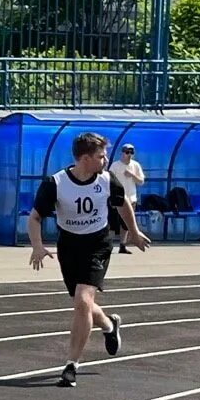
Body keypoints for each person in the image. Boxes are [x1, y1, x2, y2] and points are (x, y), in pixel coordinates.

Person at [28, 130, 150, 386]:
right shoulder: (56, 183)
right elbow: (35, 217)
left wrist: (135, 233)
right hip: (69, 246)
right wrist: (37, 246)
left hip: (97, 244)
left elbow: (123, 203)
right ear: (85, 159)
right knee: (82, 302)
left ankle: (71, 365)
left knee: (83, 301)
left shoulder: (106, 180)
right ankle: (109, 325)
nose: (105, 160)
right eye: (101, 156)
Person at [111, 142, 148, 251]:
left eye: (131, 152)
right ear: (122, 153)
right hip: (117, 199)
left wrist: (132, 174)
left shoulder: (135, 165)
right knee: (113, 223)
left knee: (126, 223)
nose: (129, 154)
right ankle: (108, 243)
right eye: (127, 152)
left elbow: (141, 181)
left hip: (131, 198)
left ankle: (122, 245)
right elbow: (110, 180)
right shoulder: (115, 165)